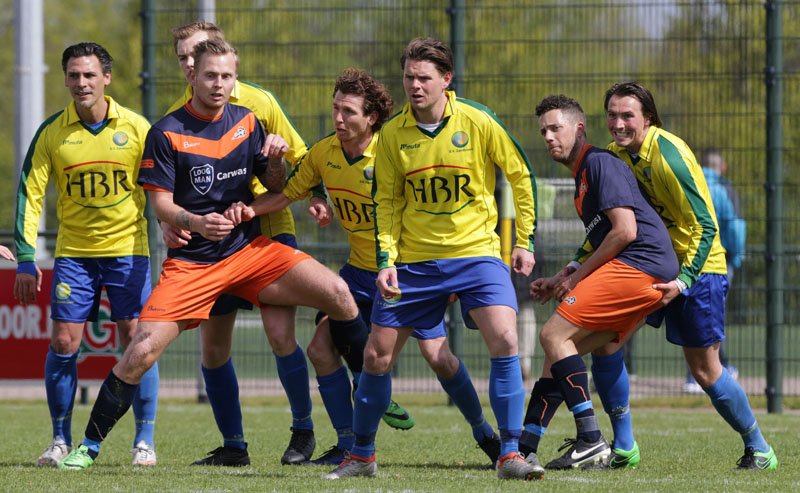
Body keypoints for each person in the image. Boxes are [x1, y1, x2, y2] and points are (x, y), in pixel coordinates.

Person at [57, 39, 373, 471]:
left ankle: (371, 394)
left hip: (250, 252)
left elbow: (277, 186)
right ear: (192, 76)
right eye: (210, 75)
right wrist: (197, 222)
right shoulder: (166, 131)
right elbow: (163, 207)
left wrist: (277, 160)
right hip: (194, 264)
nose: (219, 84)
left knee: (338, 292)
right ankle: (89, 446)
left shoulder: (248, 120)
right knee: (142, 350)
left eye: (227, 76)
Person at [167, 22, 410, 467]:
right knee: (213, 350)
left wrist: (317, 197)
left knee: (282, 336)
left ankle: (305, 432)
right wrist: (173, 225)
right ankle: (234, 446)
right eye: (185, 56)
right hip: (213, 246)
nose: (192, 64)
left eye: (199, 54)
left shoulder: (259, 102)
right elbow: (169, 188)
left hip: (265, 232)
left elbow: (303, 158)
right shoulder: (173, 118)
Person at [245, 67, 501, 467]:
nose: (339, 119)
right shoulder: (323, 153)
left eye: (349, 112)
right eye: (335, 109)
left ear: (372, 118)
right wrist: (244, 211)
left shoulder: (391, 149)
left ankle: (484, 431)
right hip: (357, 274)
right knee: (319, 348)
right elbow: (287, 193)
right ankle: (348, 444)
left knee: (439, 358)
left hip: (403, 273)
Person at [323, 38, 538, 481]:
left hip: (476, 254)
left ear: (446, 79)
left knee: (505, 339)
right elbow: (385, 201)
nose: (415, 86)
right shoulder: (393, 136)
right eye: (408, 77)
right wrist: (387, 260)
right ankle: (362, 456)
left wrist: (524, 240)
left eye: (424, 78)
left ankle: (510, 454)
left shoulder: (478, 121)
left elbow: (520, 173)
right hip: (415, 264)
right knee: (377, 356)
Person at [603, 81, 777, 470]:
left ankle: (760, 448)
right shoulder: (615, 156)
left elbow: (706, 225)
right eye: (612, 115)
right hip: (650, 265)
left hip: (698, 271)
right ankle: (624, 446)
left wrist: (683, 280)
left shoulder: (669, 153)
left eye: (627, 115)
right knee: (607, 339)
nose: (618, 123)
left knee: (704, 369)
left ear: (647, 118)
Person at [13, 42, 159, 468]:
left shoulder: (136, 128)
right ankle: (60, 439)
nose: (82, 83)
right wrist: (25, 257)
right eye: (74, 75)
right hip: (74, 255)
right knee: (63, 342)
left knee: (138, 344)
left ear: (106, 78)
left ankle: (144, 442)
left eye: (90, 75)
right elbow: (30, 194)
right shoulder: (52, 132)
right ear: (65, 79)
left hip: (128, 253)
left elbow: (161, 188)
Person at [520, 95, 679, 471]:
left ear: (578, 129)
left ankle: (591, 440)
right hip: (643, 271)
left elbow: (625, 231)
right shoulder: (582, 179)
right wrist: (564, 275)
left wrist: (579, 277)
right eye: (543, 130)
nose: (548, 137)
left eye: (555, 128)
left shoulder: (598, 163)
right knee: (560, 350)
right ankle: (523, 444)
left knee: (552, 335)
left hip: (642, 266)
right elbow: (602, 236)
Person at [681, 148, 745, 393]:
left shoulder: (689, 181)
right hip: (718, 261)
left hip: (686, 259)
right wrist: (735, 257)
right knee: (712, 317)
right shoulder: (724, 188)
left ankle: (704, 371)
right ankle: (705, 373)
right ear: (723, 167)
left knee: (692, 316)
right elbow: (736, 227)